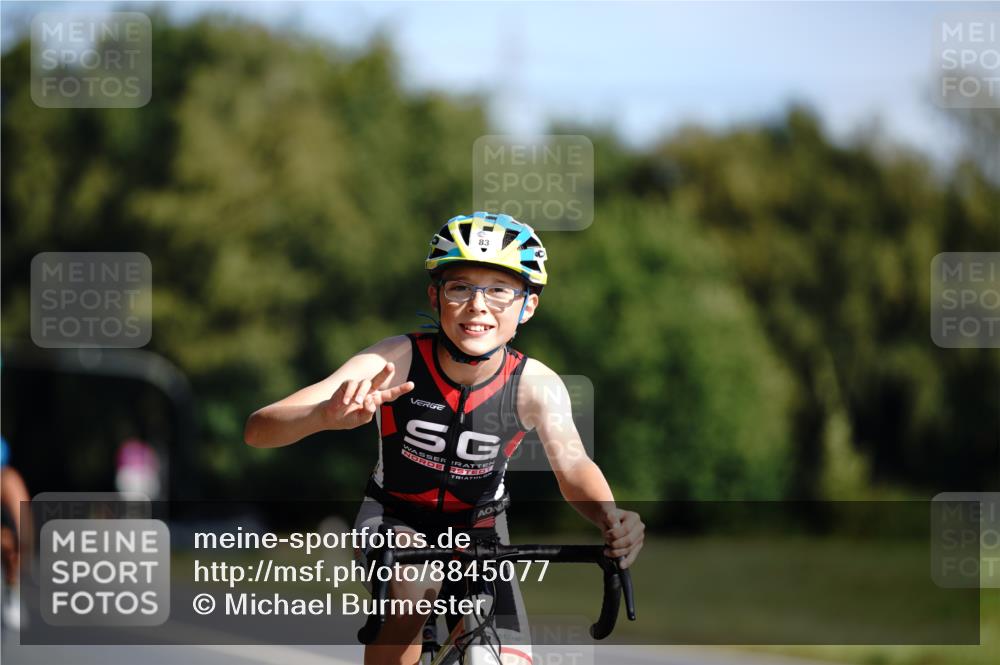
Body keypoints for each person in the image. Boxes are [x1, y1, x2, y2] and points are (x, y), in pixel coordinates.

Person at [245, 212, 644, 665]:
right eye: (461, 288)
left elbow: (574, 468)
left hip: (482, 530)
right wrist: (322, 415)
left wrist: (610, 517)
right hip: (394, 520)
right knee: (416, 587)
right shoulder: (394, 358)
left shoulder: (536, 384)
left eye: (499, 290)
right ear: (436, 297)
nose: (478, 305)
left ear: (528, 306)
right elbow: (259, 429)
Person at [1, 436, 32, 632]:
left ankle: (12, 588)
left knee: (11, 542)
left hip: (7, 533)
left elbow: (23, 524)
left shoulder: (9, 479)